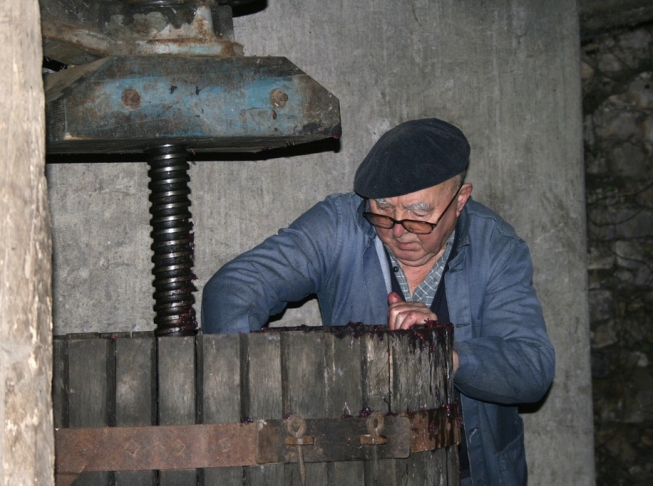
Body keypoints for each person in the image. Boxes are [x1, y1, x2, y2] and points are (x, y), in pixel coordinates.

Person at [201, 118, 555, 485]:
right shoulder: (340, 225)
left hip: (472, 473)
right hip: (361, 470)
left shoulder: (496, 248)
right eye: (383, 211)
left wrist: (447, 356)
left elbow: (532, 369)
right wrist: (250, 390)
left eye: (419, 214)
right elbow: (235, 288)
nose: (399, 230)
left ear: (460, 200)